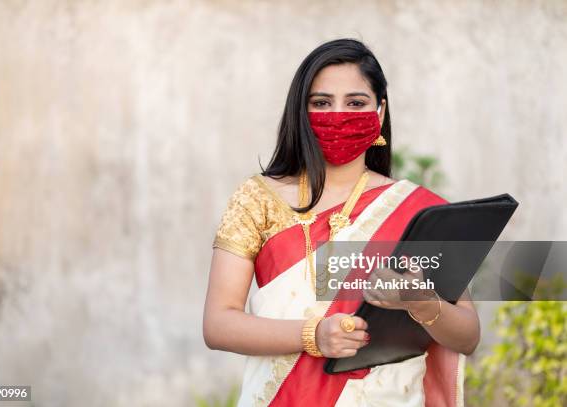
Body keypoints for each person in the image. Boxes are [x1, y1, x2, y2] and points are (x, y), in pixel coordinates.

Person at [203, 38, 480, 407]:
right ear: (301, 113)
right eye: (321, 103)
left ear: (379, 112)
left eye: (355, 103)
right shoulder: (258, 199)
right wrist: (312, 335)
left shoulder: (417, 209)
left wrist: (423, 302)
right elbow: (218, 324)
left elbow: (468, 336)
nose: (338, 114)